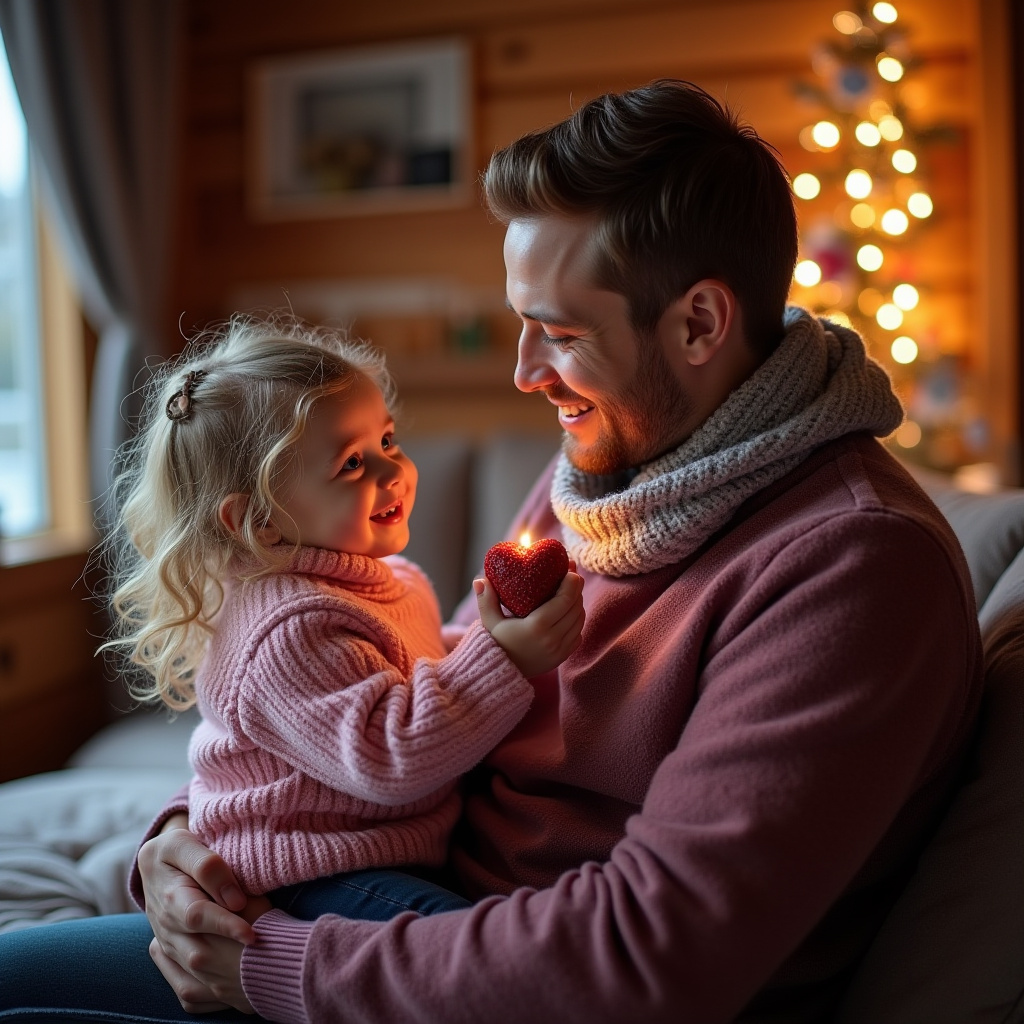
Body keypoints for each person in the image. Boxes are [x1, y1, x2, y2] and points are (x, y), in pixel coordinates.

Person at [0, 80, 983, 1024]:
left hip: (428, 974)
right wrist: (186, 840)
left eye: (555, 331)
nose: (523, 373)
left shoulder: (851, 569)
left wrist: (267, 964)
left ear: (698, 323)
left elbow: (644, 961)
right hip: (374, 926)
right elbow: (398, 702)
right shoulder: (613, 471)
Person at [100, 315, 584, 921]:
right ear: (259, 519)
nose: (394, 473)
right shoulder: (288, 629)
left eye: (386, 442)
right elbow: (392, 752)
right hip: (312, 874)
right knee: (461, 944)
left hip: (375, 854)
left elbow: (412, 665)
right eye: (352, 465)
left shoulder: (385, 577)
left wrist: (489, 639)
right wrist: (504, 657)